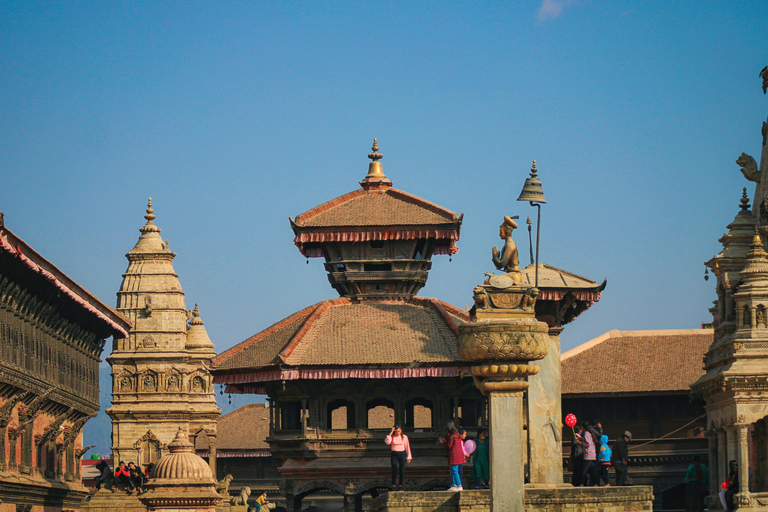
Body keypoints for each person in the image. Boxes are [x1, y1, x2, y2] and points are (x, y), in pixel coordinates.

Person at [385, 424, 412, 491]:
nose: (397, 433)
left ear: (401, 431)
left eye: (399, 431)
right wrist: (391, 432)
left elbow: (407, 447)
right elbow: (387, 442)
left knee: (402, 470)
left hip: (402, 454)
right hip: (394, 454)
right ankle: (393, 484)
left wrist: (409, 456)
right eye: (396, 431)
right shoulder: (392, 437)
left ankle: (400, 485)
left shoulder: (404, 437)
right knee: (394, 469)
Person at [439, 421, 465, 491]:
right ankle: (454, 485)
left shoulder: (450, 434)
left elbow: (449, 445)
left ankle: (458, 485)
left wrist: (443, 442)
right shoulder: (457, 433)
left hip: (454, 454)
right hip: (460, 454)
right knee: (456, 470)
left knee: (454, 470)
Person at [580, 421, 599, 486]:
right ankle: (596, 483)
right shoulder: (589, 433)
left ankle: (582, 483)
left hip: (588, 454)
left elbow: (588, 444)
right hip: (592, 454)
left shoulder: (586, 433)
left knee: (584, 470)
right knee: (591, 470)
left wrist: (580, 443)